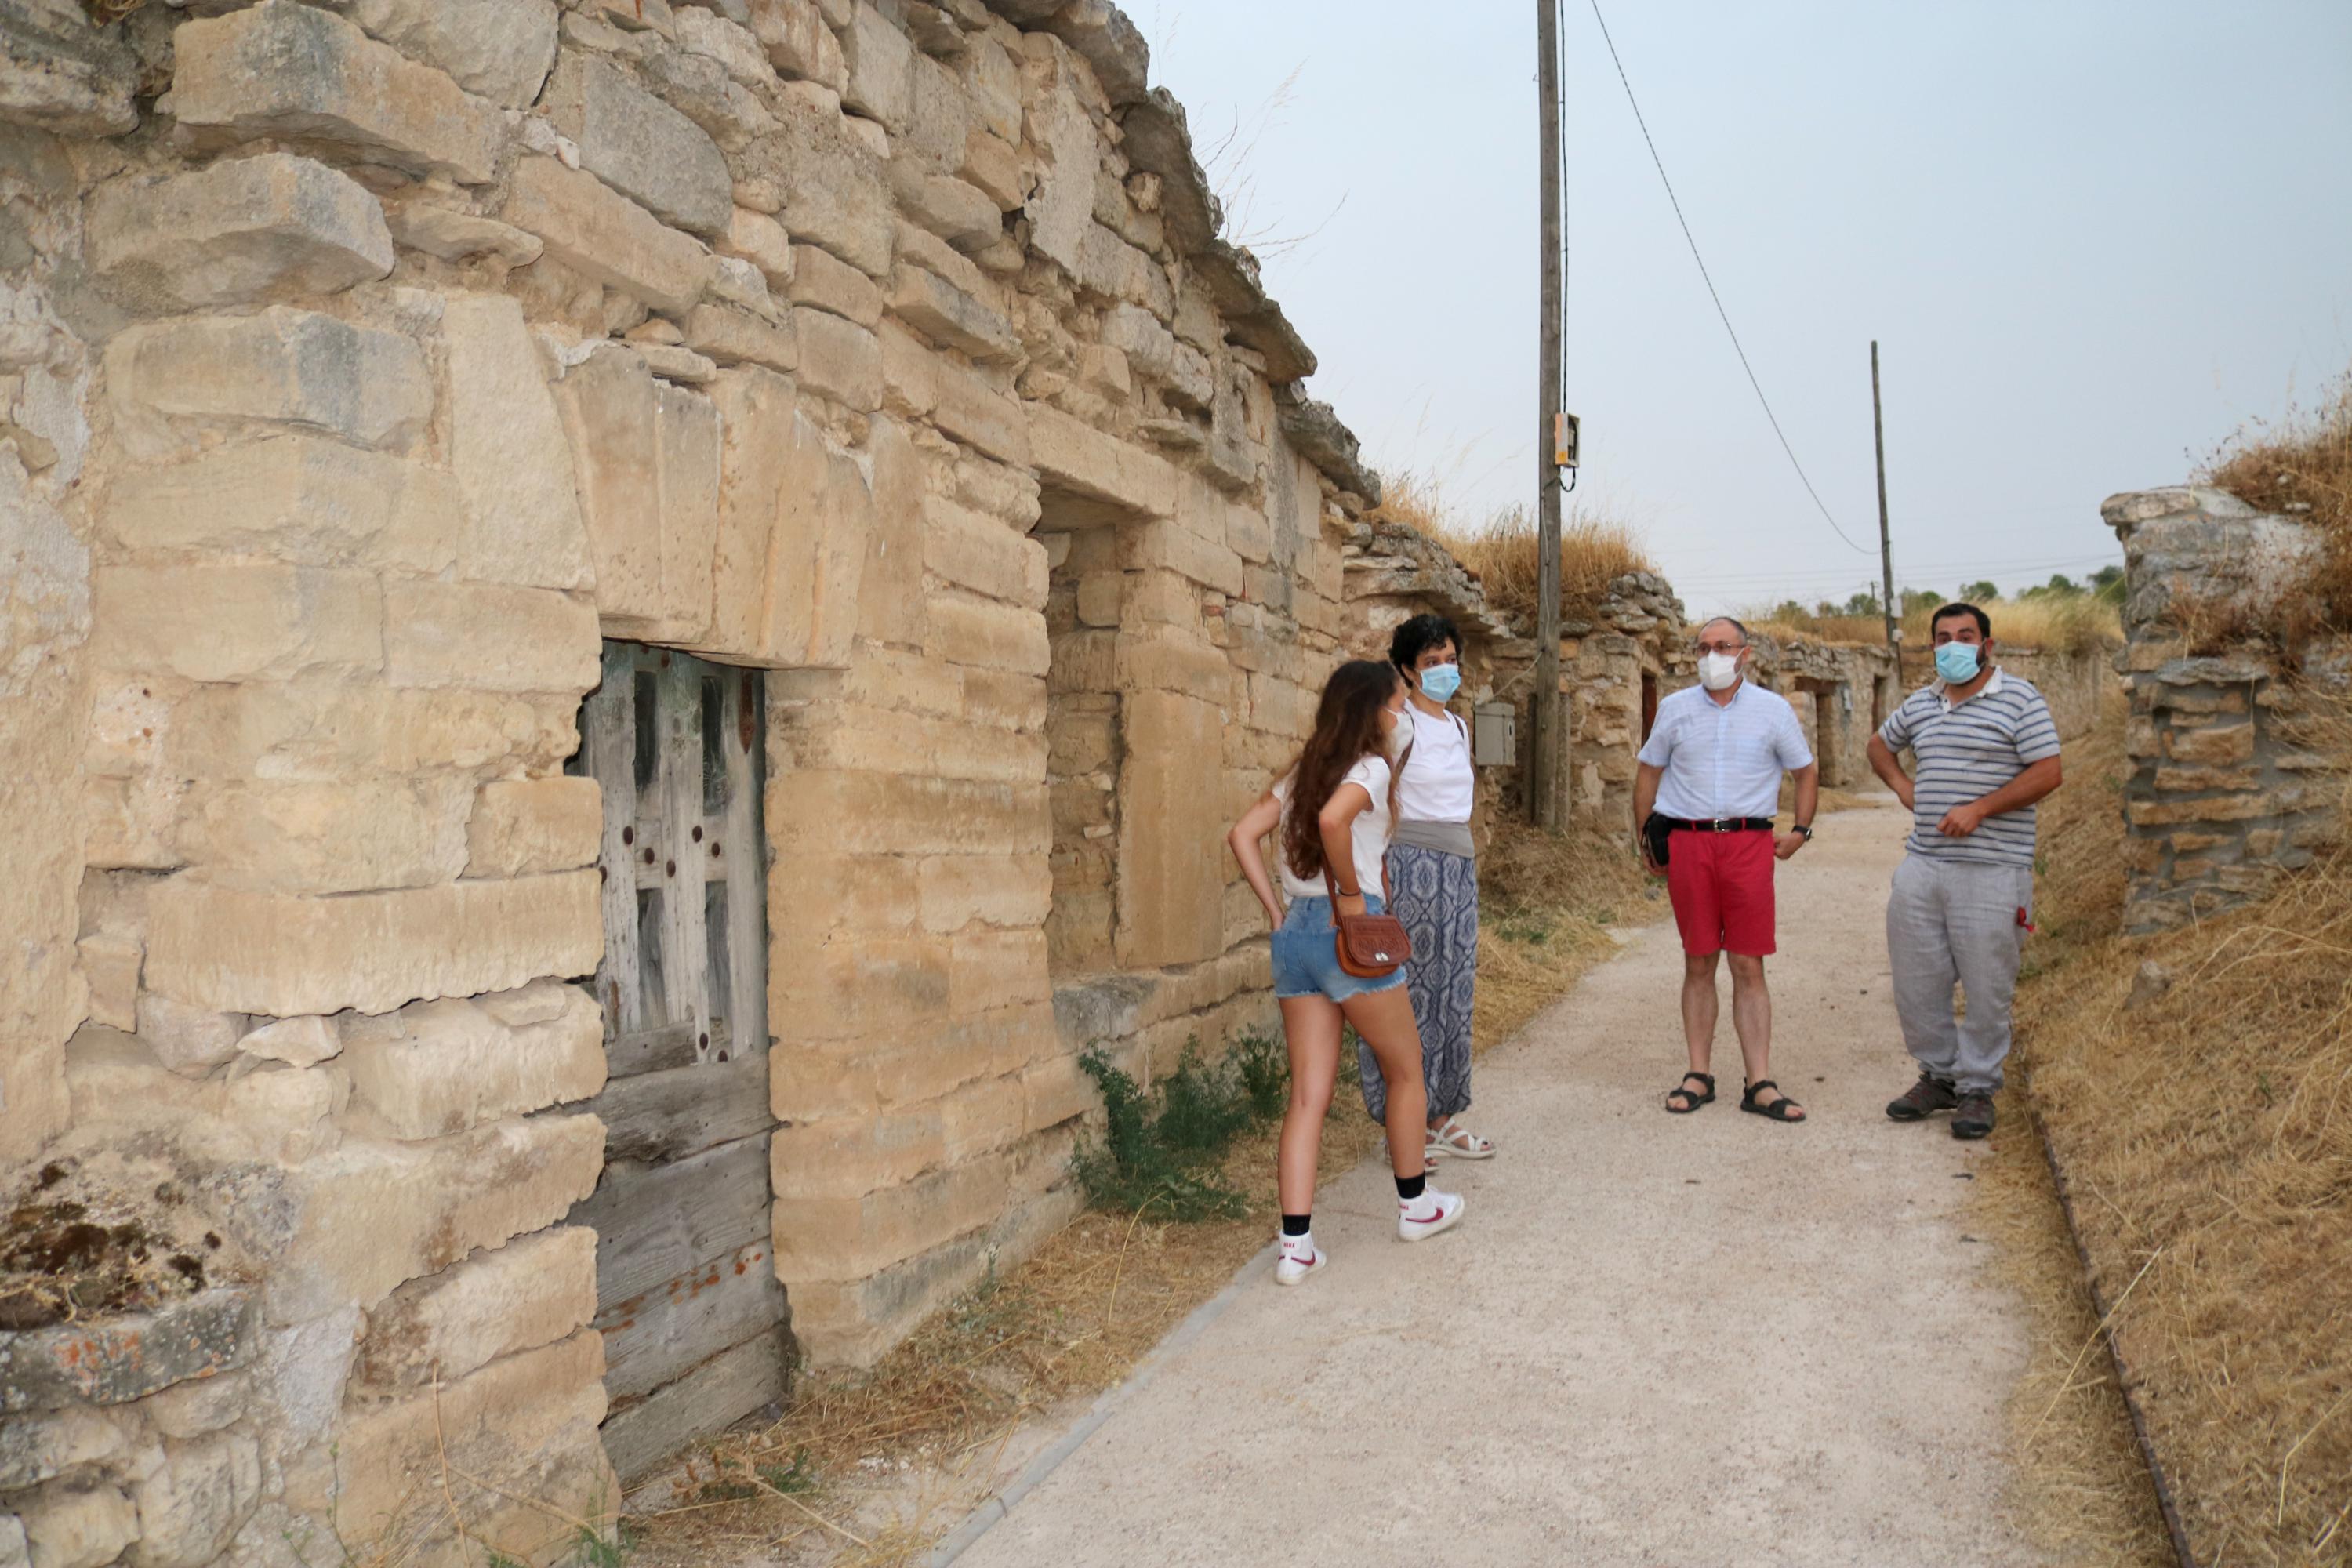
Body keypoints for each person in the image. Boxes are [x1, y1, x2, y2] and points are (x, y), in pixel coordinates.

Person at [1228, 660, 1467, 1287]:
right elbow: (1336, 822)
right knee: (1406, 1070)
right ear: (1374, 710)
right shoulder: (1371, 766)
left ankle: (1296, 1248)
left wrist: (1277, 909)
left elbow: (1242, 834)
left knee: (1308, 1095)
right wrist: (1352, 894)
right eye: (1397, 702)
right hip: (1348, 934)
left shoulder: (1300, 771)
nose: (1402, 713)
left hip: (1297, 939)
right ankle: (1416, 1205)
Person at [1867, 603, 2063, 1140]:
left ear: (1987, 645)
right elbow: (1879, 745)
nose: (1954, 645)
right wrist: (1906, 789)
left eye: (1965, 636)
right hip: (1923, 865)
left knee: (1986, 983)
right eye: (1944, 637)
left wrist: (1982, 807)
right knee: (1917, 981)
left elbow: (2049, 772)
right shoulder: (1922, 703)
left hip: (1993, 869)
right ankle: (1939, 1078)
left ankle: (1978, 1088)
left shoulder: (2019, 699)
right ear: (1932, 647)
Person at [1632, 617, 1818, 1123]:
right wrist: (1644, 834)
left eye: (1722, 646)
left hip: (1747, 842)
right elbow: (1648, 770)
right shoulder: (1674, 708)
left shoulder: (1773, 710)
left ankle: (1759, 1081)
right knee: (1698, 961)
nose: (1712, 655)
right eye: (1703, 647)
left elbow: (1804, 770)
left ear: (1745, 653)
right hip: (1689, 844)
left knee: (1748, 963)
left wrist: (1801, 830)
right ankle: (1698, 1074)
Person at [1355, 614, 1494, 1162]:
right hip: (1410, 867)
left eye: (1450, 659)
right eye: (1430, 662)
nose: (1443, 670)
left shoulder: (1459, 727)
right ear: (1408, 671)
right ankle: (1401, 1124)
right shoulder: (1398, 725)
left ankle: (1441, 1115)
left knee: (1454, 993)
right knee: (1406, 994)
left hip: (1458, 868)